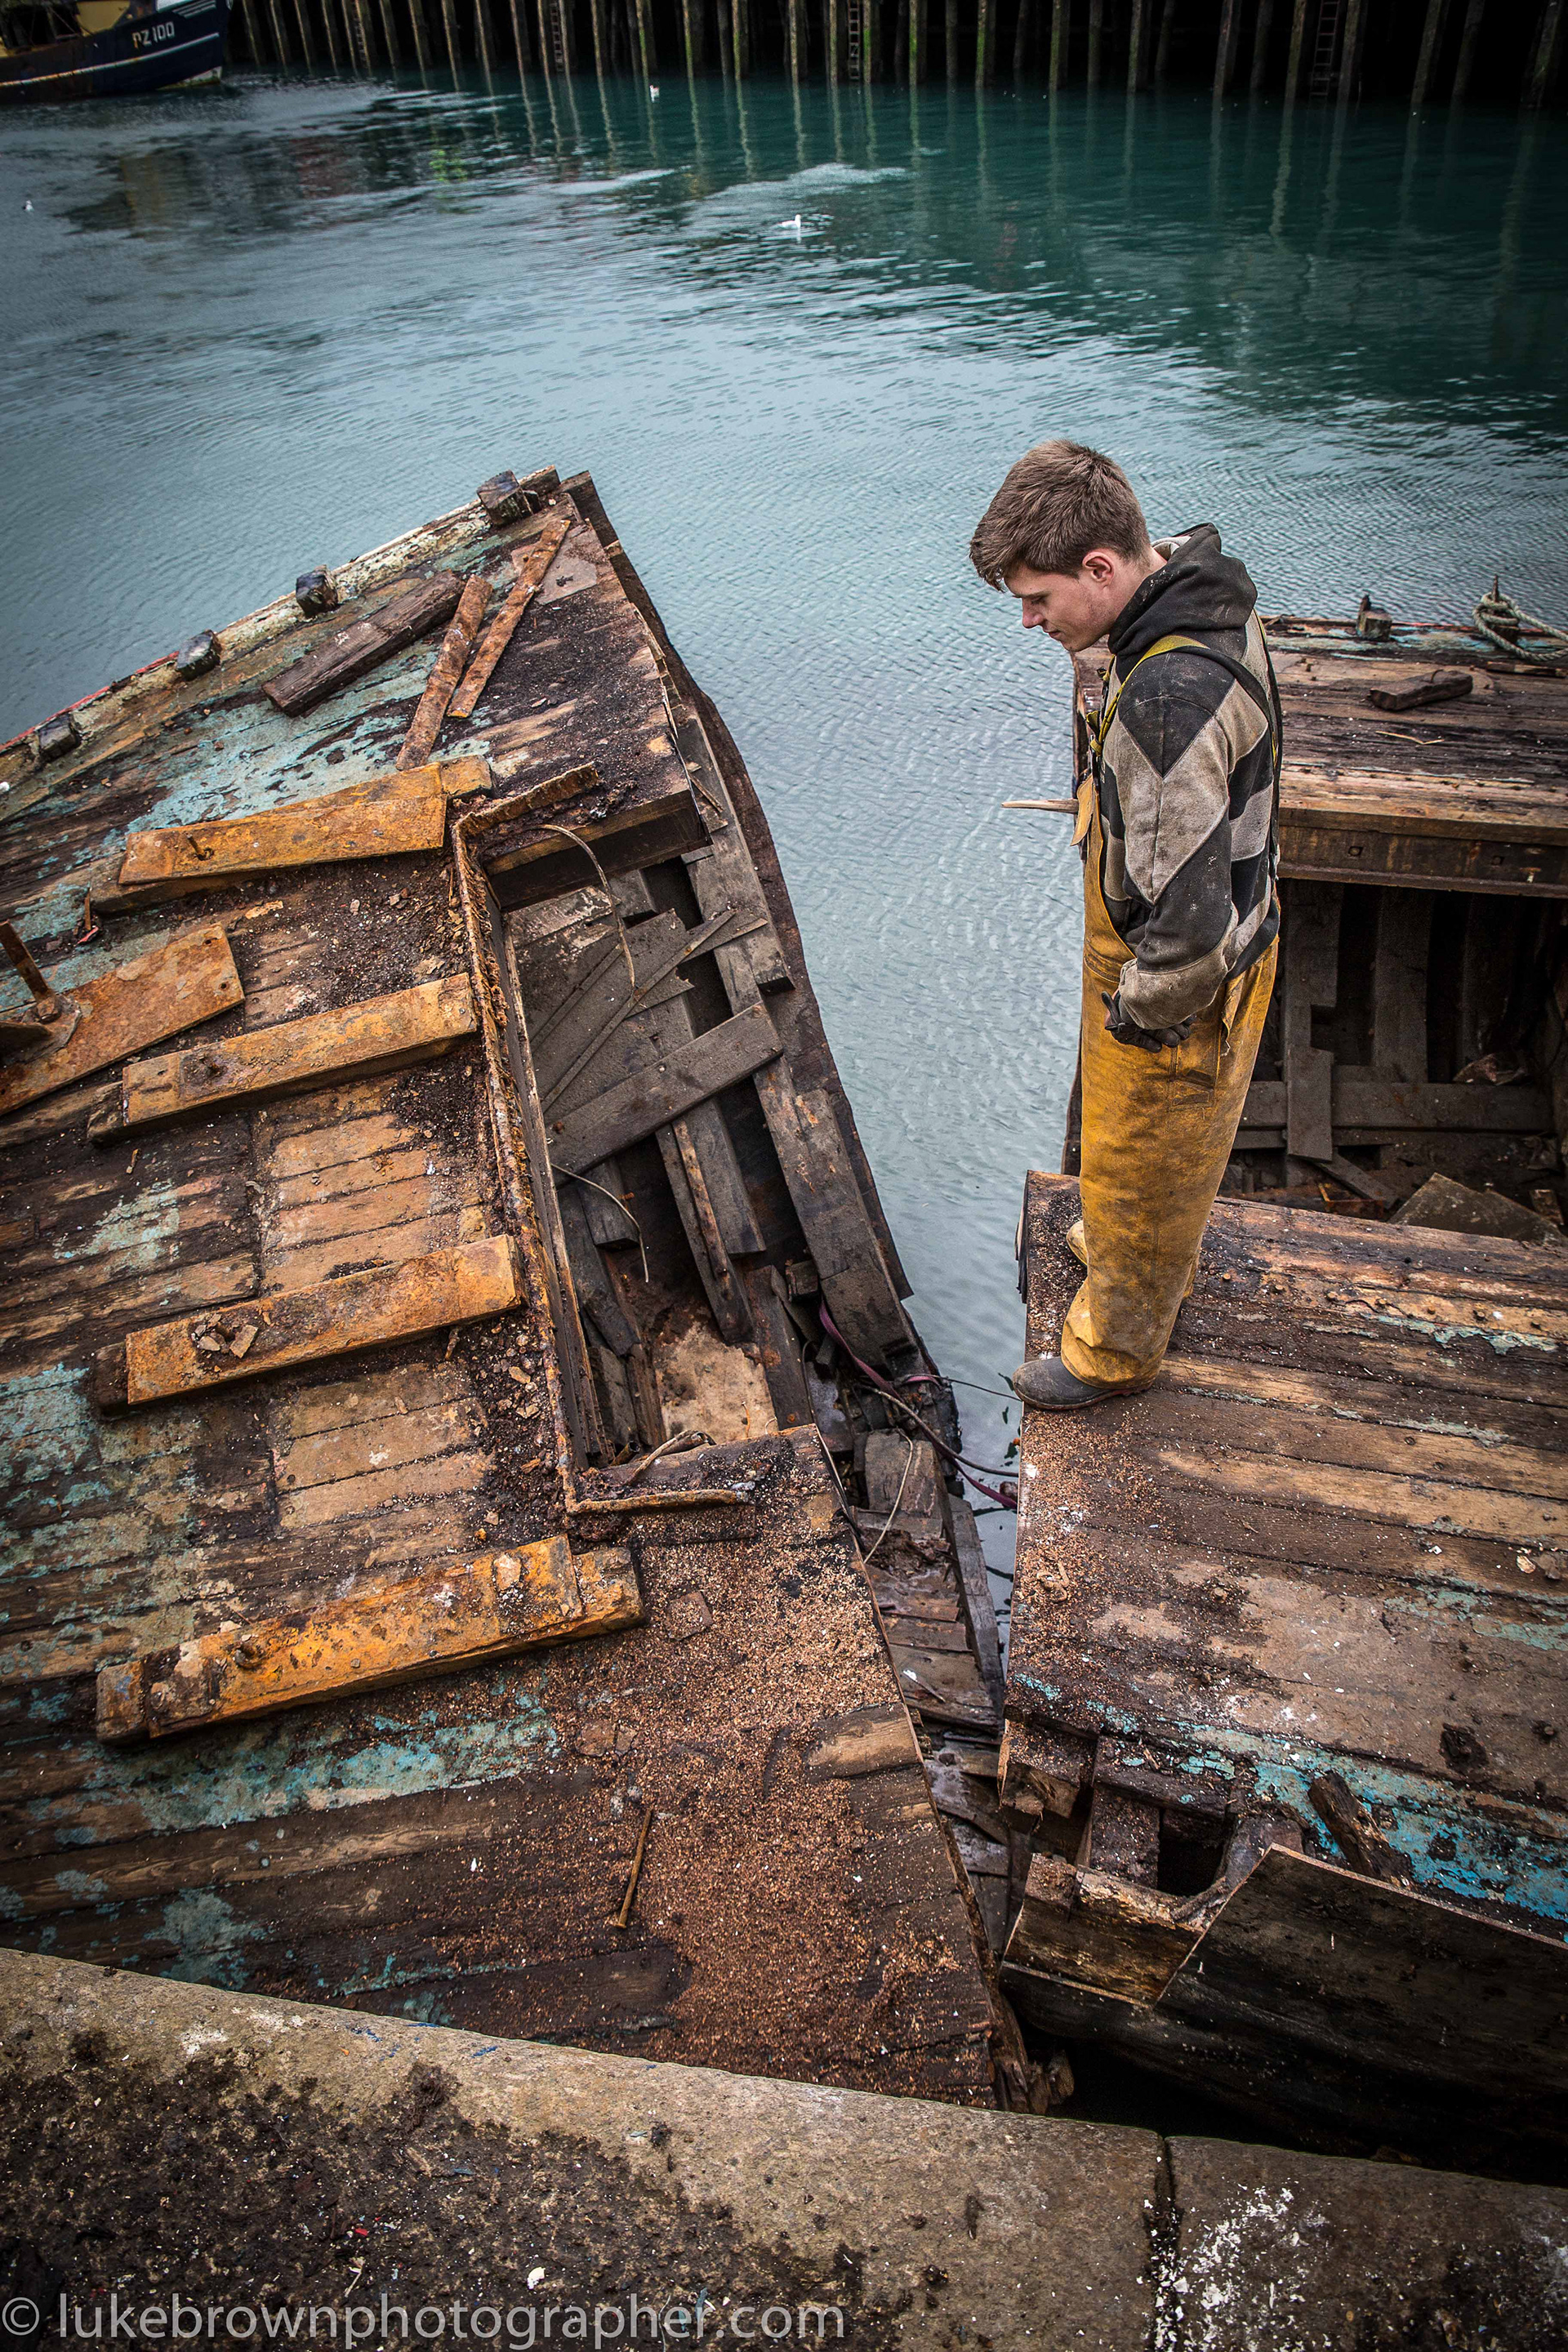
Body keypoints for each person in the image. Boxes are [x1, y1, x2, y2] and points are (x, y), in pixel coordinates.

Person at [969, 440, 1282, 1410]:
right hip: (1227, 925)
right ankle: (1115, 1238)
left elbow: (1186, 925)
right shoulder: (1198, 589)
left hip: (1184, 980)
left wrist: (1142, 1013)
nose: (1030, 620)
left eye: (1039, 598)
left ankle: (1116, 1353)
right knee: (1114, 1147)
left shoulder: (1168, 698)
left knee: (1149, 1155)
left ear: (1101, 567)